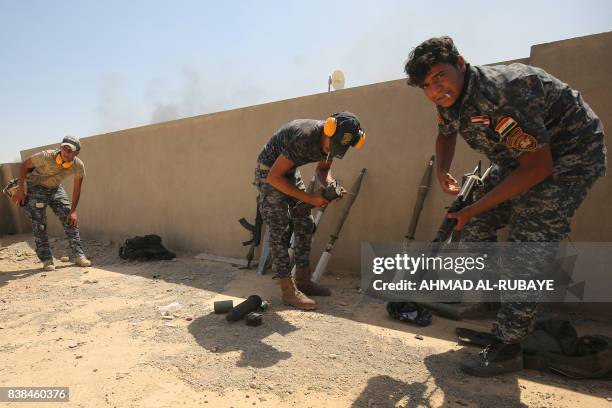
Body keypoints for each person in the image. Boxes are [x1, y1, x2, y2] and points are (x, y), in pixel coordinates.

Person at [404, 36, 606, 376]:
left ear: (461, 64)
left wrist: (475, 207)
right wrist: (442, 171)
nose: (436, 89)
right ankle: (495, 301)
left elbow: (539, 169)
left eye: (440, 75)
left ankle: (508, 345)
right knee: (470, 220)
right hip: (522, 159)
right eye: (427, 85)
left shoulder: (504, 93)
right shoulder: (448, 99)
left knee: (527, 244)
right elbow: (446, 132)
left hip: (571, 154)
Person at [254, 112, 366, 310]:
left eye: (339, 148)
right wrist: (311, 198)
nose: (330, 151)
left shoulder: (334, 141)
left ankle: (303, 279)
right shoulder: (305, 137)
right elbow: (274, 177)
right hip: (269, 171)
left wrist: (331, 186)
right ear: (328, 129)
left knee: (305, 222)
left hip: (289, 170)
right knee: (279, 227)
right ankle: (288, 290)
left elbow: (322, 171)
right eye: (331, 145)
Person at [11, 136, 92, 271]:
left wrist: (73, 211)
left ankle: (79, 255)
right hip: (36, 187)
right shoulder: (45, 156)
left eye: (70, 150)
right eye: (64, 148)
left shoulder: (78, 165)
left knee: (70, 218)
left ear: (76, 152)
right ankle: (47, 259)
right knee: (40, 224)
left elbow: (77, 188)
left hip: (55, 188)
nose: (66, 152)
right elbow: (24, 165)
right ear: (60, 148)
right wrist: (20, 189)